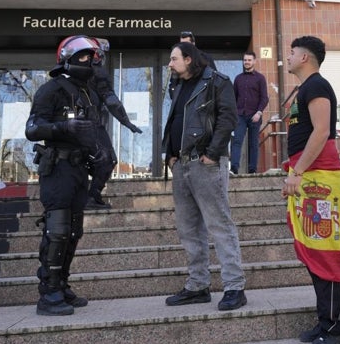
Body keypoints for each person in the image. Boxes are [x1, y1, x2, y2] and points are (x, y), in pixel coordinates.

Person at [25, 35, 108, 316]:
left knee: (74, 231)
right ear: (68, 59)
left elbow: (93, 131)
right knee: (58, 231)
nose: (90, 62)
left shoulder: (89, 93)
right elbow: (33, 129)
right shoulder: (51, 89)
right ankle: (48, 292)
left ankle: (61, 285)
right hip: (57, 167)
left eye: (92, 57)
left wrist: (98, 155)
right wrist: (64, 128)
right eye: (84, 57)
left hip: (78, 170)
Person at [162, 41, 246, 311]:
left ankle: (235, 287)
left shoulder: (217, 81)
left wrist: (211, 153)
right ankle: (198, 286)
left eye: (174, 59)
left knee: (219, 225)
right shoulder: (177, 86)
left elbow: (227, 119)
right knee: (188, 229)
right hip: (182, 165)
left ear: (188, 59)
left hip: (206, 163)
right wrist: (170, 155)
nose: (170, 64)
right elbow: (176, 121)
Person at [281, 36, 340, 344]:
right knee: (310, 246)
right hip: (306, 173)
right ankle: (326, 321)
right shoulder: (304, 88)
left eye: (292, 52)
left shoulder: (317, 86)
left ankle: (337, 326)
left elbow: (322, 131)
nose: (288, 56)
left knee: (325, 248)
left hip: (318, 175)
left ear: (305, 57)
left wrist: (298, 173)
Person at [72, 36, 142, 210]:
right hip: (91, 125)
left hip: (72, 126)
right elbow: (111, 100)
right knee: (107, 159)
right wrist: (127, 122)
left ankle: (81, 196)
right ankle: (92, 196)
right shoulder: (97, 71)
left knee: (81, 160)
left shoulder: (69, 73)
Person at [230, 51, 269, 175]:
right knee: (237, 141)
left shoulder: (260, 78)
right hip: (240, 115)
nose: (246, 62)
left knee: (253, 143)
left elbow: (264, 98)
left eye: (249, 60)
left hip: (255, 115)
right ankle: (234, 168)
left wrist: (259, 112)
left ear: (254, 61)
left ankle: (252, 169)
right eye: (245, 60)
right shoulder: (238, 79)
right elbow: (233, 98)